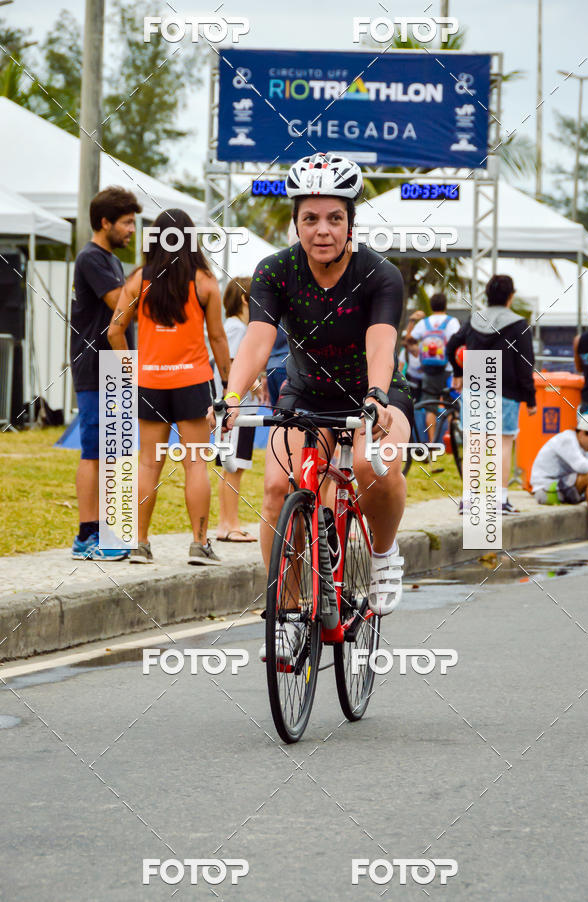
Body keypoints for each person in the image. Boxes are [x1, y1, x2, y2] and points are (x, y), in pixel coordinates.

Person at [208, 151, 413, 661]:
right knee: (278, 487)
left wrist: (377, 396)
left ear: (351, 220)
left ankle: (383, 556)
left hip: (375, 391)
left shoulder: (379, 274)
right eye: (310, 218)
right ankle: (288, 611)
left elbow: (381, 344)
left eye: (334, 218)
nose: (322, 230)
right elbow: (257, 340)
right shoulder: (275, 270)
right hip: (305, 394)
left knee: (372, 463)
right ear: (296, 219)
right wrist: (231, 397)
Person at [108, 208, 230, 565]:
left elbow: (115, 330)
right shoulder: (205, 281)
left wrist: (132, 370)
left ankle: (140, 545)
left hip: (150, 381)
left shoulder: (138, 280)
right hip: (192, 382)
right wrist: (227, 385)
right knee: (196, 464)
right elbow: (218, 339)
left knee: (148, 464)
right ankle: (199, 544)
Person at [70, 186, 142, 561]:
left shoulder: (110, 260)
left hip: (114, 364)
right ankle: (87, 534)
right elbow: (121, 303)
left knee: (116, 452)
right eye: (127, 223)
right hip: (94, 365)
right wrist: (149, 270)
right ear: (105, 222)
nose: (132, 230)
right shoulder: (92, 258)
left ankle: (109, 531)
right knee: (95, 451)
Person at [447, 274, 537, 514]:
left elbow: (451, 346)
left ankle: (469, 500)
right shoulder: (519, 324)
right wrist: (530, 399)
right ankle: (499, 501)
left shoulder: (474, 320)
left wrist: (458, 372)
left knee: (474, 444)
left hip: (474, 388)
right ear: (511, 297)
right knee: (503, 444)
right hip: (505, 392)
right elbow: (525, 363)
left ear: (487, 296)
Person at [212, 276, 258, 543]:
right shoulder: (236, 328)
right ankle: (228, 526)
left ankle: (229, 523)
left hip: (244, 412)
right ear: (244, 299)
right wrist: (256, 380)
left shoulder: (238, 328)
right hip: (236, 412)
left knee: (235, 468)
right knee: (232, 468)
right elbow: (231, 364)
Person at [530, 413, 588, 539]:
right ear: (582, 433)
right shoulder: (567, 440)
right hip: (546, 491)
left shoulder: (581, 444)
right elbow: (582, 467)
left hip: (562, 486)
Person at [410, 293, 460, 441]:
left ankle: (432, 442)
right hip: (448, 371)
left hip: (429, 371)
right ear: (445, 305)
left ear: (431, 306)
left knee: (430, 407)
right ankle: (450, 440)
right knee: (451, 405)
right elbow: (456, 343)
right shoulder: (452, 322)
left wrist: (412, 321)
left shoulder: (424, 323)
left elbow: (409, 340)